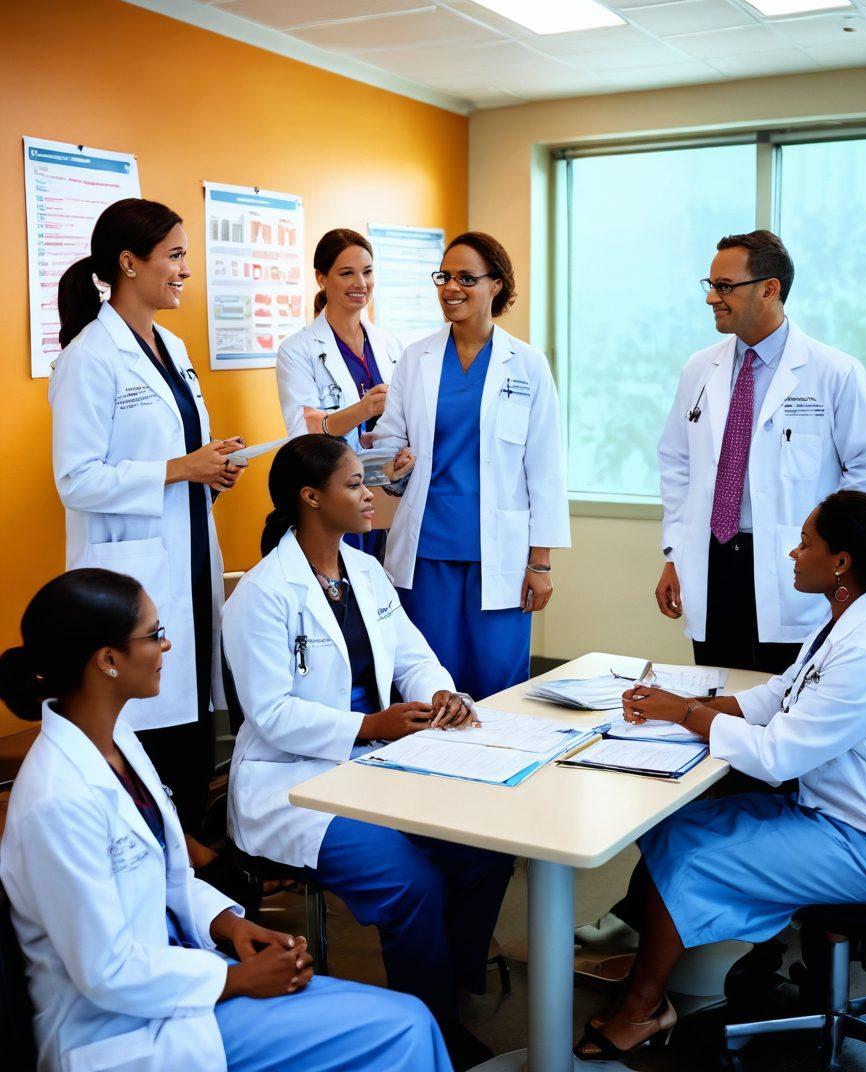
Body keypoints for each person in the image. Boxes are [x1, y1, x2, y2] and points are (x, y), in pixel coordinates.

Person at [0, 568, 453, 1072]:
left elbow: (163, 876)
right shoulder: (57, 800)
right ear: (108, 660)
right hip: (118, 1030)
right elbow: (106, 972)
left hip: (177, 982)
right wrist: (236, 980)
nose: (168, 645)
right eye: (154, 635)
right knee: (404, 1027)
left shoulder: (117, 741)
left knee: (407, 1020)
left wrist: (231, 926)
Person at [223, 435, 514, 1070]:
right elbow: (270, 716)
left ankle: (448, 989)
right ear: (310, 497)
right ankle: (430, 1032)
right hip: (295, 784)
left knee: (485, 847)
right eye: (355, 483)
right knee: (411, 883)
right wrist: (369, 724)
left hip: (377, 761)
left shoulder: (364, 570)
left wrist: (441, 693)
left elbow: (410, 651)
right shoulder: (264, 594)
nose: (369, 493)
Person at [575, 489, 866, 1061]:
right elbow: (778, 696)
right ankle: (675, 983)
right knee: (676, 828)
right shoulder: (847, 621)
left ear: (841, 560)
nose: (792, 554)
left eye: (805, 543)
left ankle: (643, 1008)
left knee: (694, 852)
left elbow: (778, 756)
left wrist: (689, 715)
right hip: (841, 816)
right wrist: (680, 702)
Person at [50, 198, 245, 833]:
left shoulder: (173, 346)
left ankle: (198, 903)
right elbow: (76, 480)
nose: (187, 269)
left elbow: (180, 456)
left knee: (190, 743)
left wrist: (211, 472)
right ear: (129, 264)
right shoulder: (91, 355)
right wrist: (180, 470)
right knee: (146, 754)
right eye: (176, 256)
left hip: (186, 562)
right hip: (131, 576)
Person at [656, 229, 866, 674]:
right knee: (714, 693)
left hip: (796, 566)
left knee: (789, 698)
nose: (712, 298)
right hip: (711, 559)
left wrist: (842, 561)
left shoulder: (834, 372)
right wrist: (674, 555)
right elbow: (677, 464)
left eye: (725, 286)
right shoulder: (699, 368)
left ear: (769, 288)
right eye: (711, 286)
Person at [372, 231, 570, 700]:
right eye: (444, 277)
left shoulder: (526, 363)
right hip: (426, 551)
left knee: (498, 687)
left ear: (496, 285)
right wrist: (390, 460)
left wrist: (540, 563)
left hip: (498, 555)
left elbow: (544, 467)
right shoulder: (415, 358)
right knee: (428, 685)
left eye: (466, 278)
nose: (451, 288)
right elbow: (388, 437)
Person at [276, 228, 403, 555]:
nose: (361, 283)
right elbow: (301, 433)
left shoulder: (389, 344)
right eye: (347, 273)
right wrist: (363, 409)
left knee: (385, 589)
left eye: (367, 272)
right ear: (321, 278)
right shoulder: (297, 350)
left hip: (388, 488)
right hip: (333, 493)